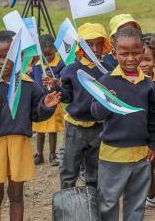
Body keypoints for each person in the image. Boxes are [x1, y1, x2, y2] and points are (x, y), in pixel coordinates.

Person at [0, 30, 59, 221]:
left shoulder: (28, 85)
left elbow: (37, 114)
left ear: (19, 58)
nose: (3, 62)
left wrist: (46, 106)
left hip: (19, 145)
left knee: (16, 195)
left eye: (9, 57)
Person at [91, 26, 155, 221]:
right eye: (124, 53)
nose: (131, 58)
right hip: (113, 154)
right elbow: (96, 114)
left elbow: (152, 117)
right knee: (109, 201)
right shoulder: (106, 81)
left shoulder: (147, 83)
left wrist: (153, 143)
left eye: (136, 53)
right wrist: (106, 102)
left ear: (142, 52)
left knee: (136, 201)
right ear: (114, 53)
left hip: (141, 154)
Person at [56, 23, 111, 189]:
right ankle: (67, 203)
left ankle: (92, 205)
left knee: (95, 168)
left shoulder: (108, 70)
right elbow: (66, 96)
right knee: (69, 166)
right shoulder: (70, 70)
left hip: (100, 126)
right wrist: (56, 88)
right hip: (75, 126)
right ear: (80, 47)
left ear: (104, 46)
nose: (94, 48)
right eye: (89, 44)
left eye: (98, 44)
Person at [31, 34, 65, 166]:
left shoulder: (60, 65)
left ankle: (52, 154)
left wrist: (56, 79)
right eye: (43, 56)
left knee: (52, 129)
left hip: (54, 102)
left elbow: (63, 81)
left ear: (55, 50)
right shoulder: (37, 65)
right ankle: (39, 154)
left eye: (49, 55)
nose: (46, 59)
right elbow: (33, 79)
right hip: (40, 102)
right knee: (39, 130)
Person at [140, 34, 155, 208]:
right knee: (146, 163)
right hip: (140, 128)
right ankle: (150, 194)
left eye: (147, 59)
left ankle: (153, 189)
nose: (143, 64)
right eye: (140, 59)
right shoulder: (132, 80)